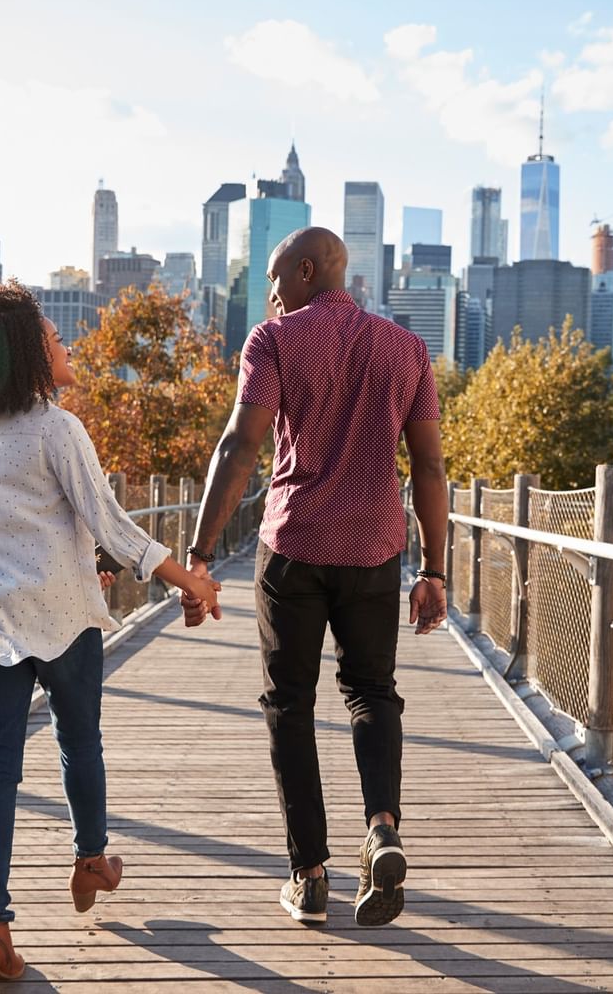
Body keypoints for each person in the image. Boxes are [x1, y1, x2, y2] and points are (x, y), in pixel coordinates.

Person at [0, 282, 220, 993]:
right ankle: (91, 859)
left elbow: (26, 524)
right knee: (78, 742)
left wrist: (86, 558)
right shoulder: (57, 428)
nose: (69, 347)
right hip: (62, 622)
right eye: (57, 340)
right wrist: (189, 580)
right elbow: (112, 522)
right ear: (31, 354)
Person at [182, 227, 448, 927]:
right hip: (374, 549)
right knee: (371, 693)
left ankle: (309, 875)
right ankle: (383, 827)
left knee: (288, 705)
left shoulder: (273, 342)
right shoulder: (408, 348)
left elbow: (242, 444)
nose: (270, 296)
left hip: (294, 547)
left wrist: (201, 553)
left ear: (307, 271)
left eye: (275, 280)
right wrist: (435, 568)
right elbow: (428, 466)